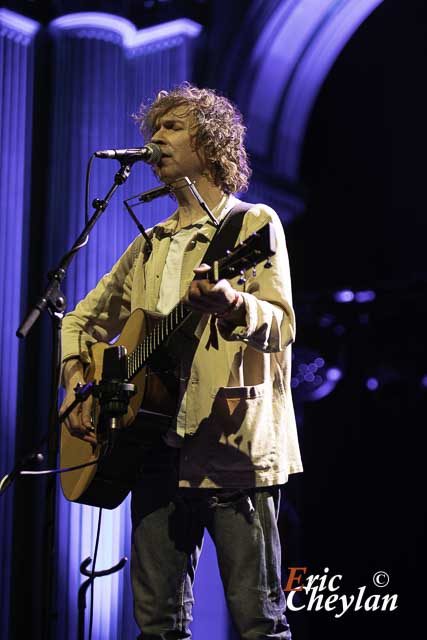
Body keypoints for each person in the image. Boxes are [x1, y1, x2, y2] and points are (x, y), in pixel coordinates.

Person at [60, 82, 303, 639]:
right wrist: (79, 382)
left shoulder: (252, 224)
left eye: (172, 127)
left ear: (211, 141)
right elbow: (79, 321)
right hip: (152, 451)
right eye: (154, 129)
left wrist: (233, 301)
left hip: (231, 449)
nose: (155, 138)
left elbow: (283, 325)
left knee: (258, 623)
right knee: (157, 625)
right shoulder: (152, 242)